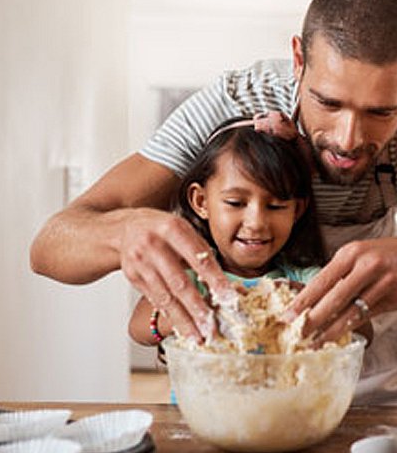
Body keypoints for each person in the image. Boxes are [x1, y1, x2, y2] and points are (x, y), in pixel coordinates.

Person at [30, 0, 397, 405]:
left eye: (380, 112)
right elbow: (50, 246)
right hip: (238, 398)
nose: (348, 139)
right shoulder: (232, 101)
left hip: (383, 395)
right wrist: (123, 233)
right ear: (298, 60)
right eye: (328, 102)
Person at [128, 116, 324, 346]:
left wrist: (305, 299)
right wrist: (200, 310)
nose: (256, 223)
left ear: (297, 210)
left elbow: (364, 330)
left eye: (275, 206)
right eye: (235, 203)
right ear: (201, 201)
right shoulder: (192, 278)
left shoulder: (303, 278)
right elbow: (138, 327)